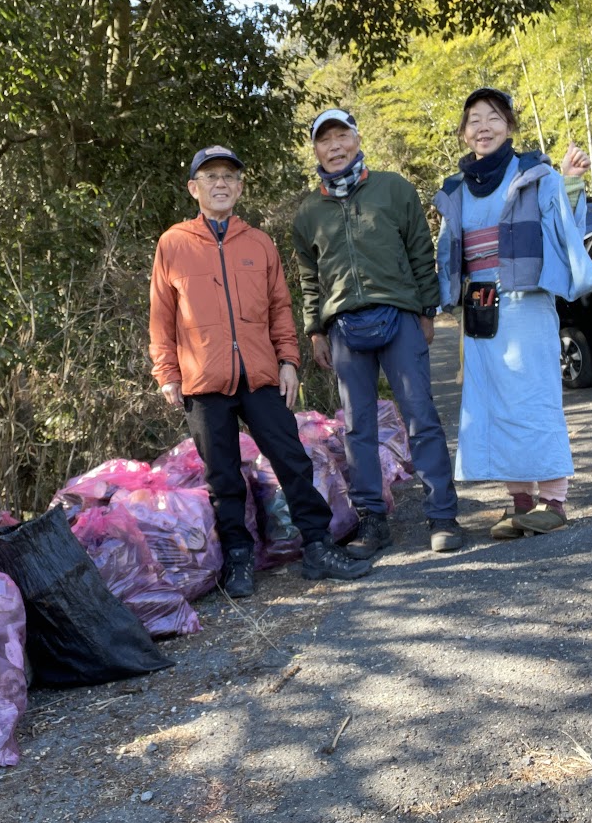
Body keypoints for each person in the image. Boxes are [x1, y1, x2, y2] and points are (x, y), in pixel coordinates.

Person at [149, 144, 372, 598]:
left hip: (260, 374)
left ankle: (318, 545)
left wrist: (289, 361)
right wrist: (167, 372)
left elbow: (279, 308)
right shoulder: (173, 243)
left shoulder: (258, 242)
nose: (220, 184)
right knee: (224, 476)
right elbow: (161, 314)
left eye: (229, 176)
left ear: (241, 187)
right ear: (194, 188)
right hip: (203, 379)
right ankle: (238, 559)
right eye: (210, 177)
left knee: (291, 459)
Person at [432, 88, 592, 539]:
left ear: (509, 125)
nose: (482, 126)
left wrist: (569, 180)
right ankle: (520, 502)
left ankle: (554, 500)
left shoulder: (533, 172)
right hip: (480, 307)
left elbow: (563, 223)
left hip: (524, 301)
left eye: (492, 117)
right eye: (473, 120)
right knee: (492, 400)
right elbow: (449, 251)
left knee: (534, 396)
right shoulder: (455, 189)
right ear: (464, 132)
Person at [292, 109, 461, 558]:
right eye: (324, 140)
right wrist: (315, 330)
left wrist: (428, 311)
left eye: (341, 135)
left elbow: (421, 253)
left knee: (420, 417)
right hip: (344, 327)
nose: (335, 146)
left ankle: (442, 514)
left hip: (400, 315)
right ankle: (373, 520)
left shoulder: (394, 189)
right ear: (316, 150)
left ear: (356, 137)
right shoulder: (309, 211)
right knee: (357, 427)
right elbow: (311, 278)